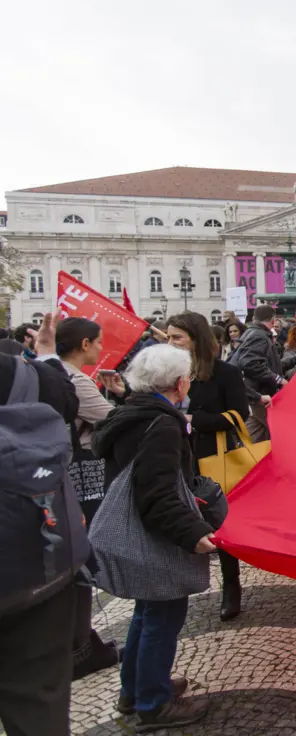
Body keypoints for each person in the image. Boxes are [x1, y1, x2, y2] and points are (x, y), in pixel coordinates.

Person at [91, 345, 216, 731]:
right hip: (154, 535)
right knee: (162, 617)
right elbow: (158, 492)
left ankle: (136, 689)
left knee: (145, 615)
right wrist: (194, 534)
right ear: (180, 383)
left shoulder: (130, 413)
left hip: (136, 529)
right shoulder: (163, 423)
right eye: (189, 378)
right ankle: (153, 704)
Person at [0, 313, 82, 736]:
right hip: (32, 568)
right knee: (37, 700)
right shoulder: (17, 371)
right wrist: (48, 357)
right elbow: (65, 403)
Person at [165, 311, 251, 621]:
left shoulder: (224, 373)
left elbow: (239, 414)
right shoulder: (163, 371)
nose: (171, 342)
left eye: (178, 337)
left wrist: (194, 420)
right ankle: (176, 584)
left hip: (211, 455)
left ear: (196, 339)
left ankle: (231, 585)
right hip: (172, 455)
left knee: (218, 519)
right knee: (178, 516)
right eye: (169, 336)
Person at [54, 319, 128, 679]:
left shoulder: (51, 371)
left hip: (62, 477)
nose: (101, 348)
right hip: (80, 474)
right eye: (98, 342)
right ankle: (81, 650)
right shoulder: (74, 379)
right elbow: (110, 420)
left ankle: (81, 645)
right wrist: (124, 396)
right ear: (84, 344)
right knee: (83, 560)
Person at [228, 305, 285, 443]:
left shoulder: (251, 332)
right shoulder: (260, 336)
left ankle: (241, 458)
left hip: (252, 392)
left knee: (253, 433)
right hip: (259, 392)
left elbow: (268, 364)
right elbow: (250, 363)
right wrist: (278, 379)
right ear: (273, 320)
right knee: (282, 432)